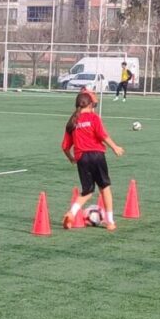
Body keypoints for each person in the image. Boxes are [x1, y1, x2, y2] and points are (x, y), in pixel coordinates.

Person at [61, 91, 124, 231]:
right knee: (105, 188)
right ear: (90, 105)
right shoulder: (94, 118)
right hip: (97, 155)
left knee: (87, 191)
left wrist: (71, 158)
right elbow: (103, 136)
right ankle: (110, 222)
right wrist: (115, 147)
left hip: (82, 158)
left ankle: (72, 213)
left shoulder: (72, 122)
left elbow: (65, 147)